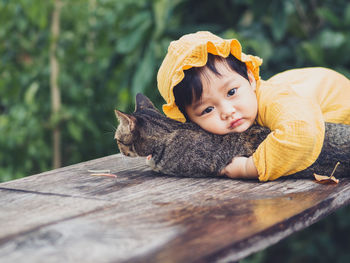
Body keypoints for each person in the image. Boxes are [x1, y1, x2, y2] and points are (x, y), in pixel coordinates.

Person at [157, 31, 350, 181]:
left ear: (250, 78)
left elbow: (302, 133)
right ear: (188, 119)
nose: (227, 111)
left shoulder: (274, 100)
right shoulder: (244, 106)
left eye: (231, 92)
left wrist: (249, 167)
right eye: (208, 109)